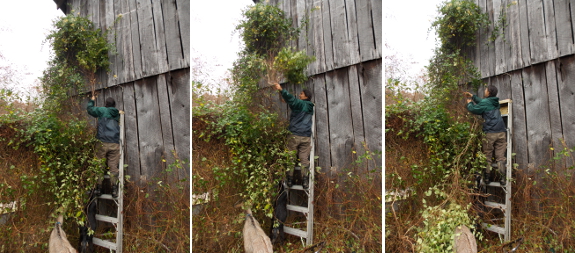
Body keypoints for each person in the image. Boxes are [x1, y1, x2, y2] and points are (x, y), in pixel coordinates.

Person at [273, 82, 314, 189]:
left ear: (306, 96)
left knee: (290, 158)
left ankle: (290, 180)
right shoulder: (310, 106)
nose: (299, 95)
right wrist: (284, 98)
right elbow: (292, 103)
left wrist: (281, 89)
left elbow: (292, 99)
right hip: (306, 137)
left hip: (294, 135)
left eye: (301, 93)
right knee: (304, 159)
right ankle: (305, 182)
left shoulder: (300, 103)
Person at [464, 85, 507, 186]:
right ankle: (502, 179)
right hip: (501, 132)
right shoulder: (495, 102)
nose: (484, 91)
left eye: (486, 90)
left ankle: (487, 178)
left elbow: (474, 109)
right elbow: (483, 102)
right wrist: (473, 96)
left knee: (487, 155)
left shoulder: (486, 102)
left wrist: (470, 103)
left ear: (489, 92)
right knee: (500, 157)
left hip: (490, 132)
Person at [87, 95, 121, 198]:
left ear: (106, 104)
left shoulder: (102, 110)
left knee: (99, 165)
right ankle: (114, 189)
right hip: (114, 143)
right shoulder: (117, 114)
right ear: (114, 105)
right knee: (113, 166)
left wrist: (92, 100)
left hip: (102, 142)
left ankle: (98, 188)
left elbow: (90, 109)